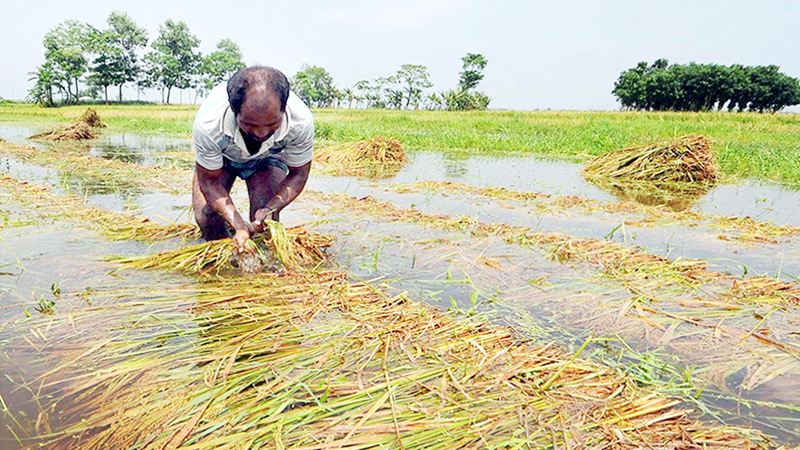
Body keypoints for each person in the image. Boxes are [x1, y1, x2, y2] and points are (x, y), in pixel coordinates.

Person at [192, 66, 314, 252]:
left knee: (265, 223)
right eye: (249, 124)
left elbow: (299, 174)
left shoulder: (301, 122)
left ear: (284, 109)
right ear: (234, 110)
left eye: (272, 124)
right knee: (207, 217)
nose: (261, 133)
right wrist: (238, 226)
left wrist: (271, 208)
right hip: (224, 157)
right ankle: (222, 263)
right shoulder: (209, 124)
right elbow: (209, 182)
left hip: (269, 158)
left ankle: (259, 271)